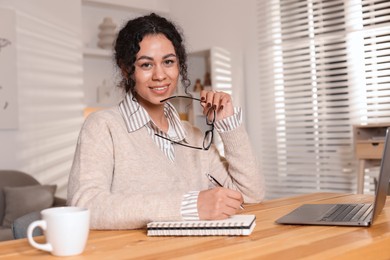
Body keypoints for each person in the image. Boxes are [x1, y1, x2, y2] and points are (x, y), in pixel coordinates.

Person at [67, 13, 265, 230]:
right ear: (126, 70)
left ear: (179, 65)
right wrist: (190, 206)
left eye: (168, 62)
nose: (160, 75)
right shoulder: (103, 126)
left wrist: (228, 125)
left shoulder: (194, 136)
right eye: (146, 65)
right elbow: (85, 206)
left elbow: (249, 195)